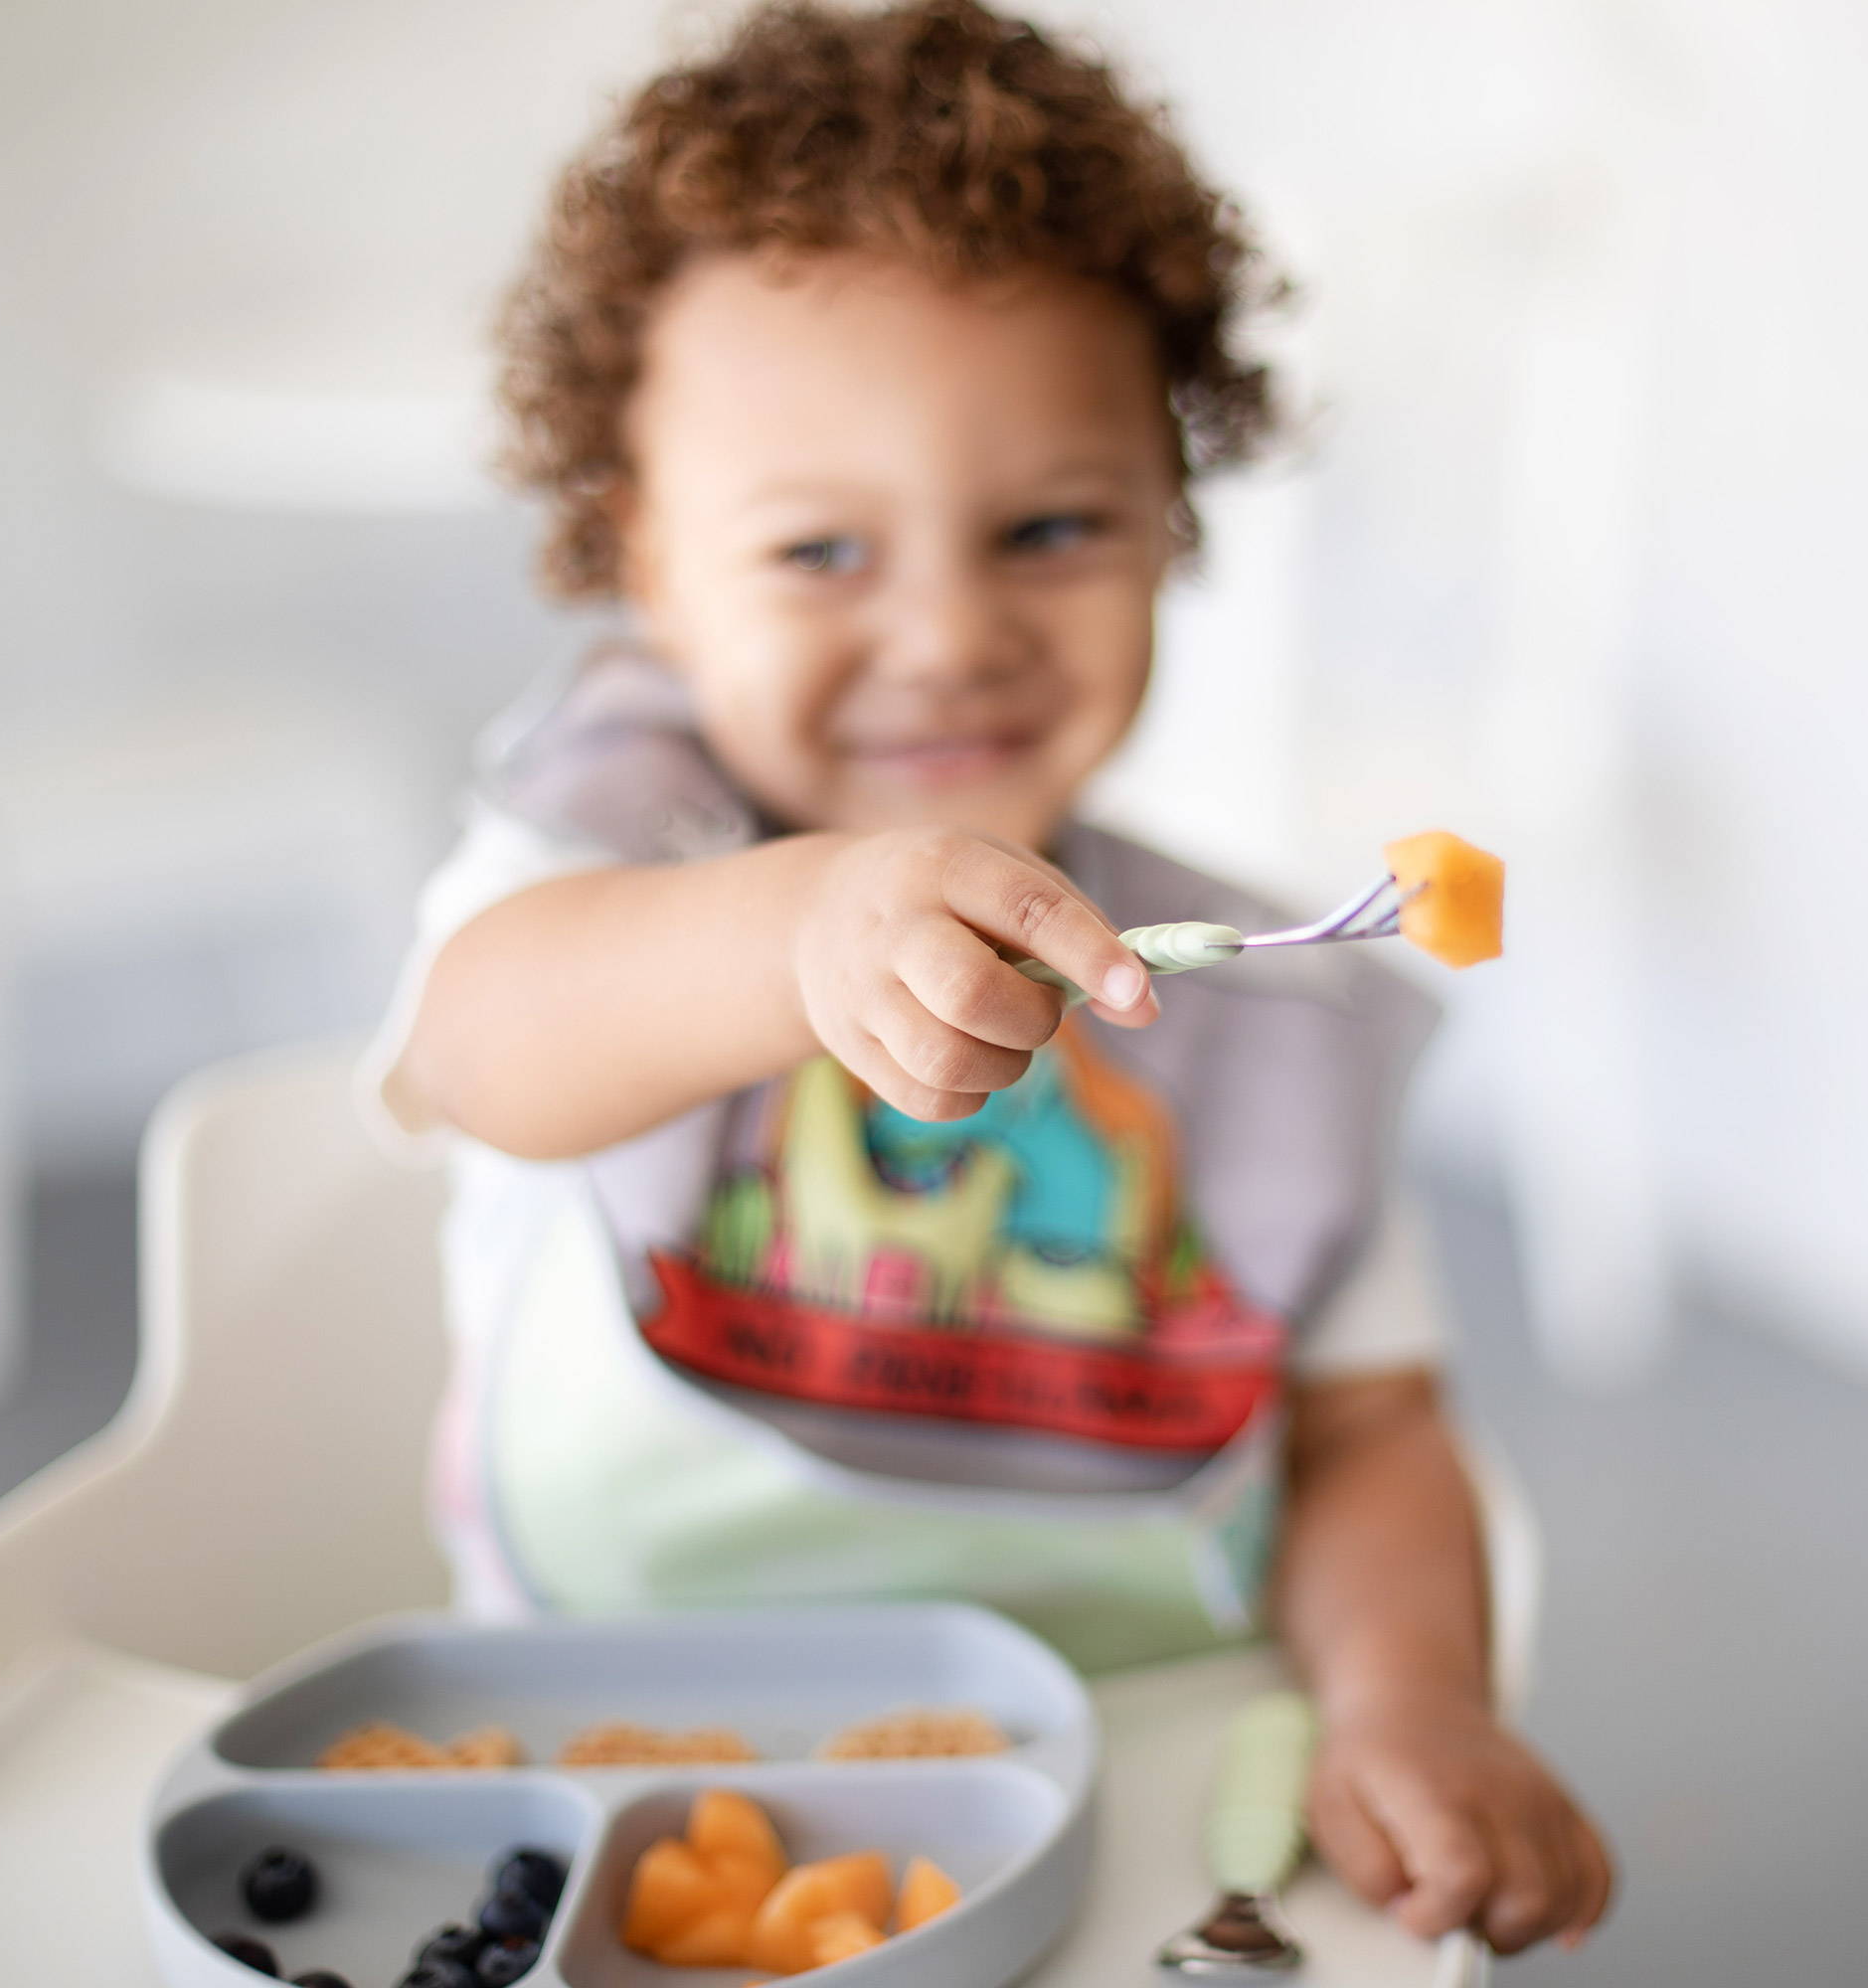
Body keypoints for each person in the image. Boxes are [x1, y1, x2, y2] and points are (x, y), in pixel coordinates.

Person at [365, 0, 1612, 1953]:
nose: (947, 632)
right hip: (619, 1760)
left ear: (1172, 528)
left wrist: (1404, 1696)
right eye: (817, 551)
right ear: (647, 559)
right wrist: (800, 928)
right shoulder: (594, 853)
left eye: (1049, 527)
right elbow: (484, 1043)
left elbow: (1366, 1430)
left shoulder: (1255, 1001)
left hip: (1138, 1771)